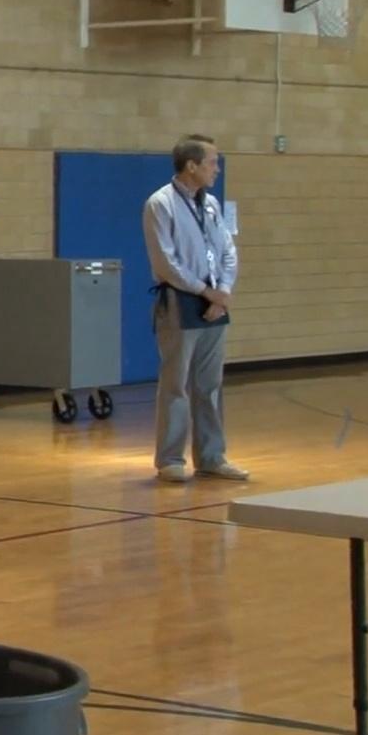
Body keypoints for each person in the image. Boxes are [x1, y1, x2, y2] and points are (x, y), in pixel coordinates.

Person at [144, 134, 247, 483]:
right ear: (191, 166)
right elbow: (166, 261)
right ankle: (171, 459)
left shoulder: (212, 204)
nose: (217, 169)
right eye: (212, 162)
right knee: (176, 384)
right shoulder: (161, 204)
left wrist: (222, 292)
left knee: (210, 384)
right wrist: (205, 291)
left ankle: (212, 456)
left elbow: (228, 250)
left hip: (214, 300)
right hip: (181, 299)